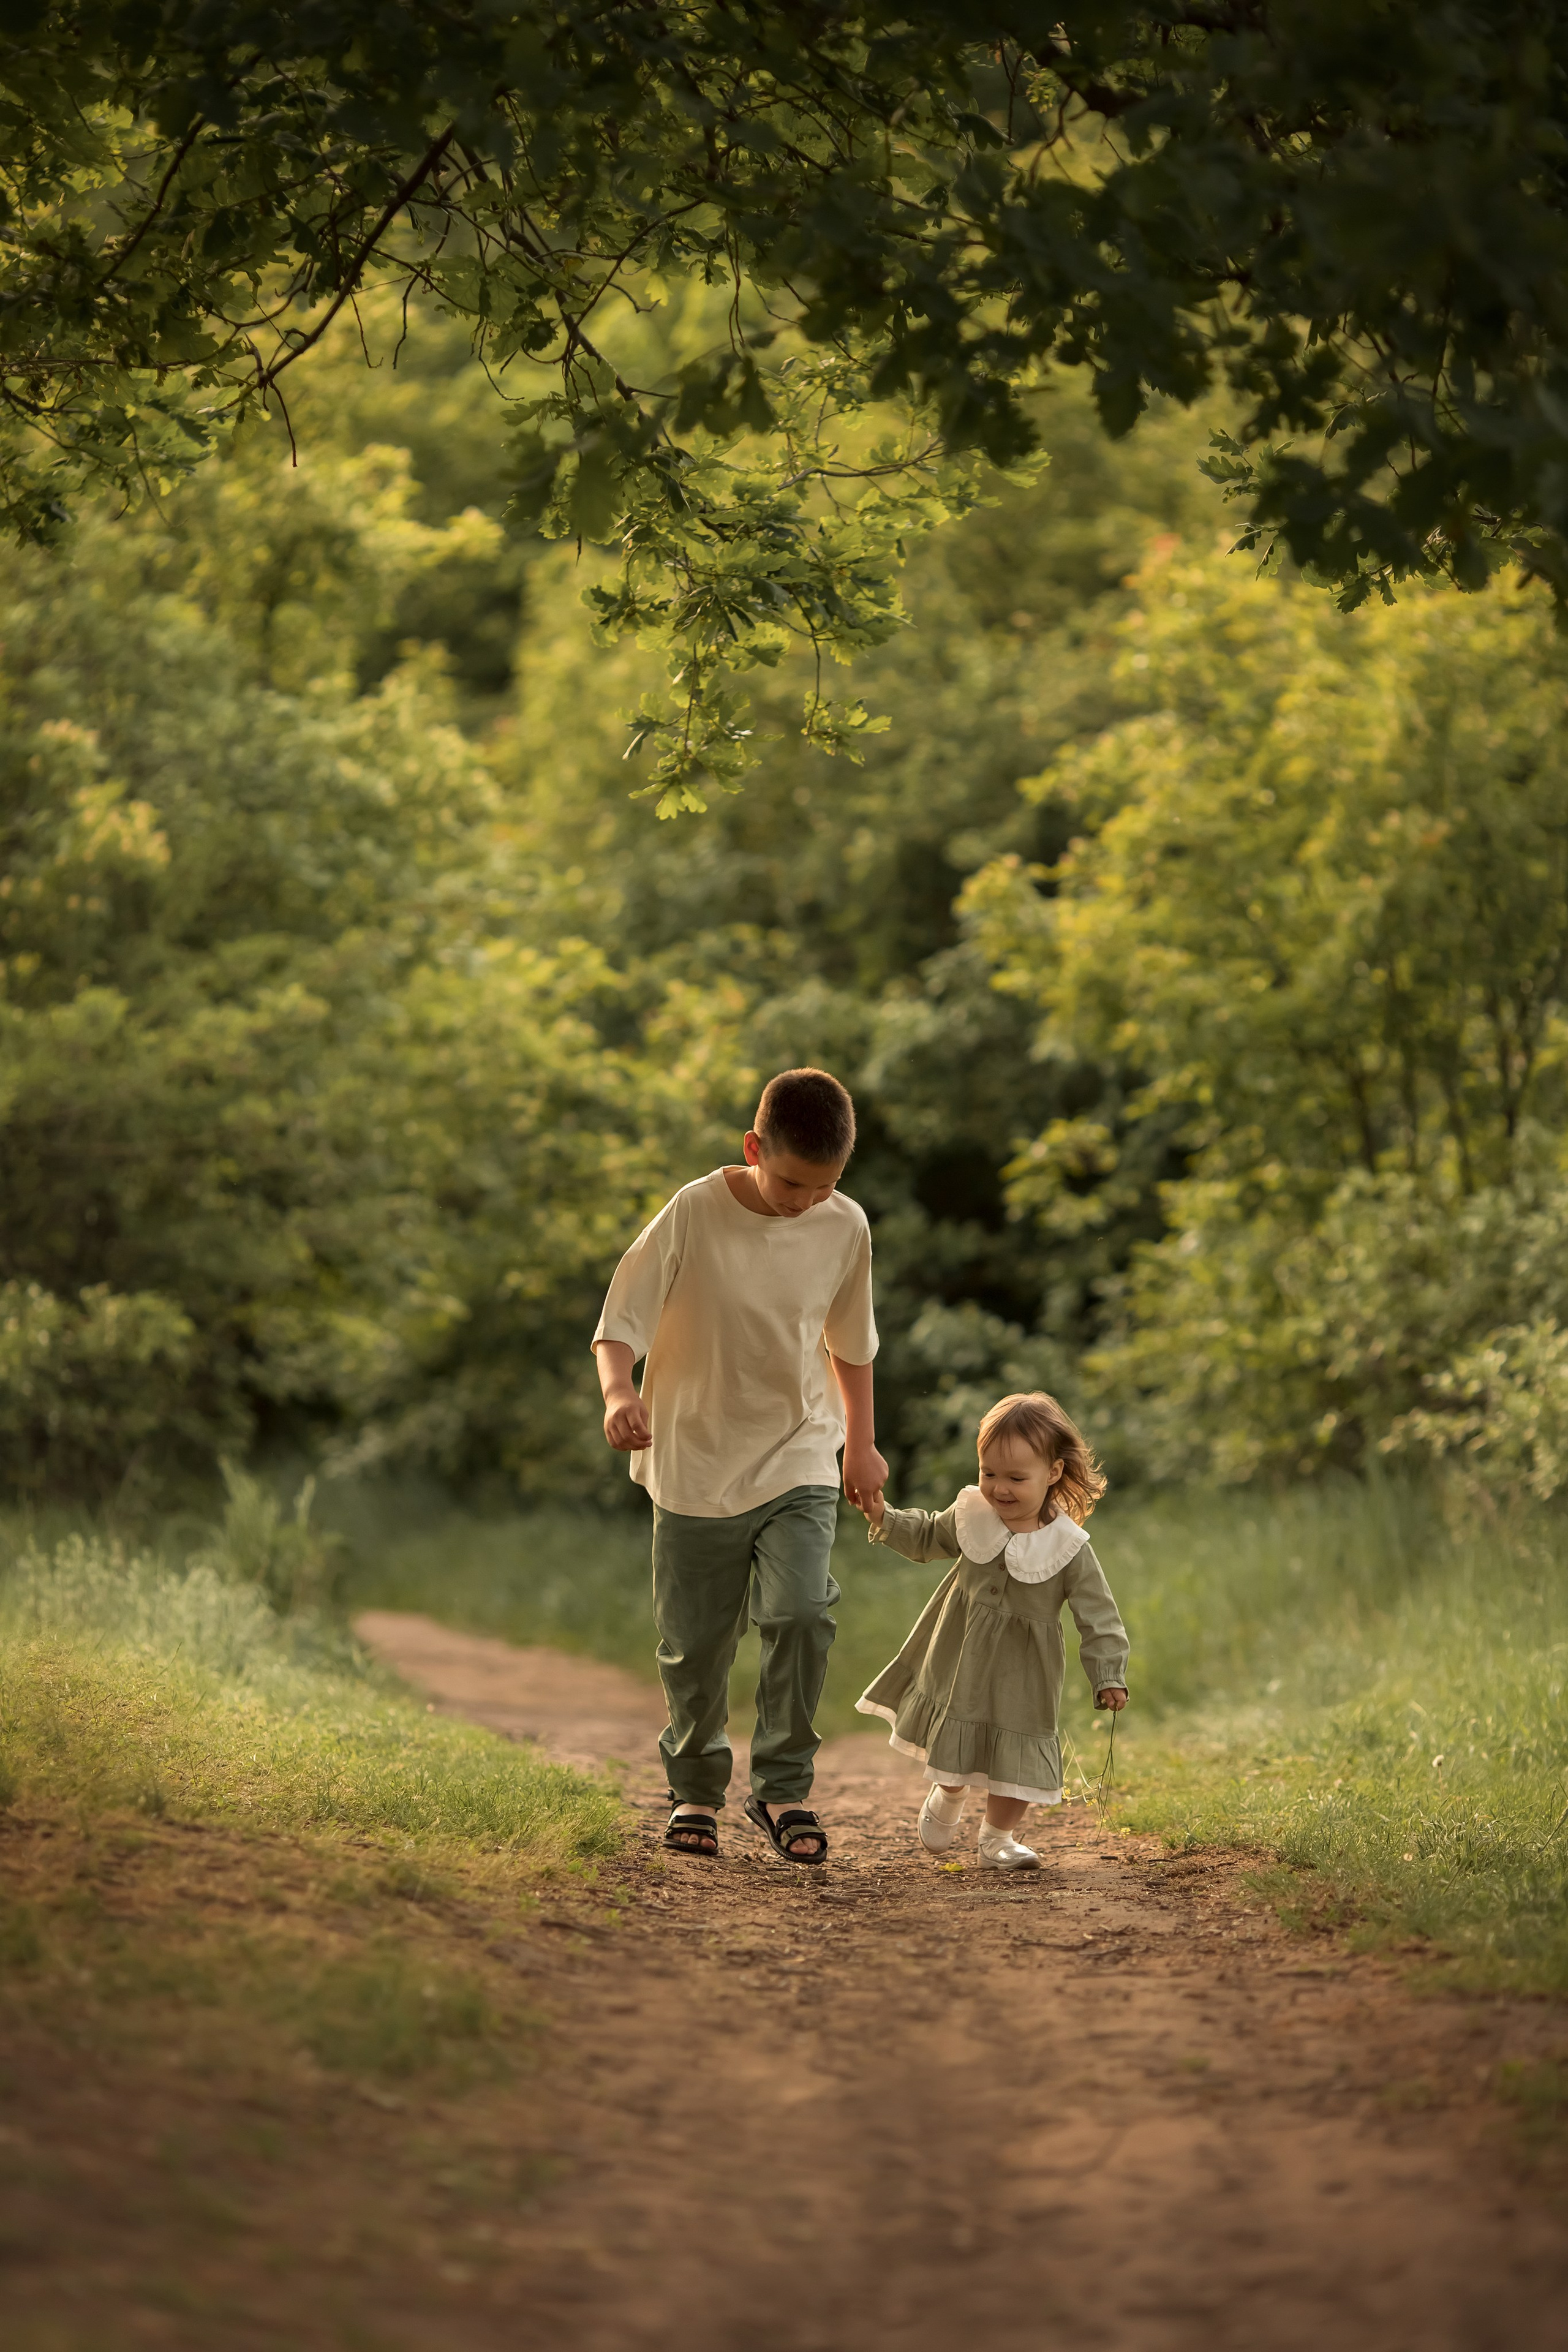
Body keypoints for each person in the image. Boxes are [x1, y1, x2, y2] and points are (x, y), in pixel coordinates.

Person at [592, 1068, 885, 1866]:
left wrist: (860, 1444)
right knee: (696, 1643)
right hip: (691, 1456)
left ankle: (784, 1786)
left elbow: (850, 1345)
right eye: (791, 1181)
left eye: (823, 1187)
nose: (804, 1201)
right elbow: (621, 1317)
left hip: (798, 1452)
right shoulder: (695, 1211)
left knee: (799, 1613)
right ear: (755, 1148)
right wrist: (619, 1393)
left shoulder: (845, 1226)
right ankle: (695, 1791)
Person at [851, 1391, 1128, 1871]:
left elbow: (1098, 1616)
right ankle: (950, 1791)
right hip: (960, 1658)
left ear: (1054, 1474)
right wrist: (883, 1516)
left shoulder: (1068, 1547)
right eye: (989, 1474)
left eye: (1016, 1478)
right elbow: (925, 1538)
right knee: (956, 1738)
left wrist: (1108, 1674)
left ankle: (998, 1838)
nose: (999, 1489)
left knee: (1017, 1752)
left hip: (1025, 1672)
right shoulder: (971, 1514)